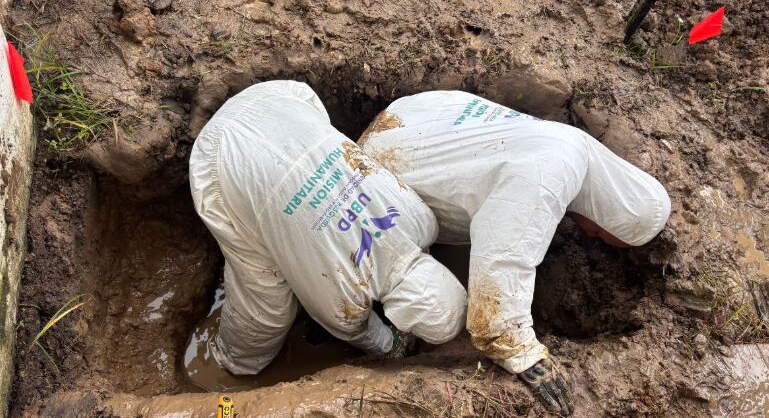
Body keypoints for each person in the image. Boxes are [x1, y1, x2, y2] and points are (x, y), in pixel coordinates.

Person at [359, 91, 671, 416]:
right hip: (379, 174)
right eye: (598, 233)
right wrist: (521, 352)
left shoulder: (576, 146)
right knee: (441, 313)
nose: (590, 235)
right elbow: (501, 260)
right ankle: (387, 324)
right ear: (605, 215)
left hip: (412, 117)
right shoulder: (545, 180)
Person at [188, 81, 467, 378]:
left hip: (278, 100)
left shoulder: (424, 220)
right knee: (269, 309)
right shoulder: (344, 302)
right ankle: (228, 364)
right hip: (219, 163)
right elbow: (360, 333)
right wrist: (391, 347)